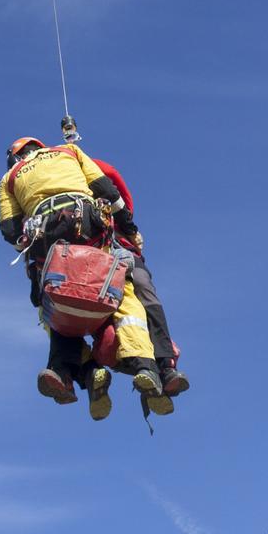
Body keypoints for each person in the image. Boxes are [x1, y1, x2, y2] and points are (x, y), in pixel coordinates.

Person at [0, 136, 165, 415]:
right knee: (115, 284)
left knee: (54, 300)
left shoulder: (9, 177)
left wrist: (27, 239)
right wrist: (129, 228)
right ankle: (145, 365)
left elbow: (9, 228)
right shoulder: (69, 150)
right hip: (86, 220)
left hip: (44, 235)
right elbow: (105, 189)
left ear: (16, 156)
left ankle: (82, 371)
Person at [79, 140, 189, 404]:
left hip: (121, 255)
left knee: (144, 292)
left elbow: (121, 205)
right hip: (92, 259)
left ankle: (164, 366)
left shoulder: (108, 196)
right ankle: (92, 374)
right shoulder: (72, 205)